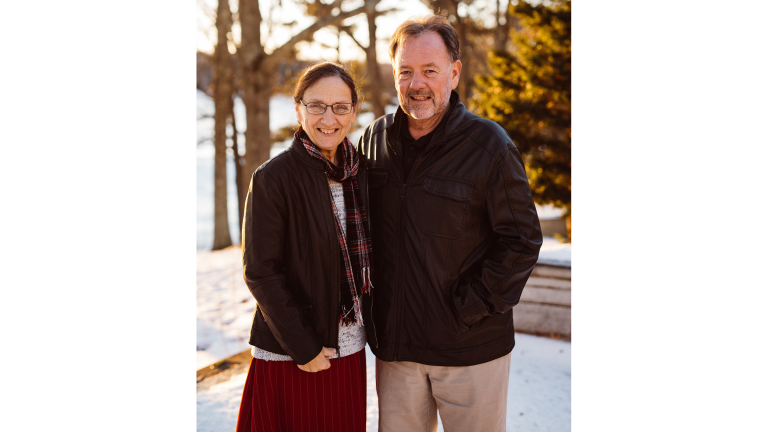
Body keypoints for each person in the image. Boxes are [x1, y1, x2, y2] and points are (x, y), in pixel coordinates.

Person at [356, 14, 543, 432]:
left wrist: (468, 309)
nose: (416, 83)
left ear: (454, 73)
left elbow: (522, 240)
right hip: (396, 353)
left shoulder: (490, 146)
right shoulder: (374, 141)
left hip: (470, 352)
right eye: (405, 72)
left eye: (429, 70)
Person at [236, 61, 371, 432]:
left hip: (349, 349)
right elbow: (260, 272)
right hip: (293, 352)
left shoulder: (360, 174)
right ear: (298, 109)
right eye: (317, 106)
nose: (329, 118)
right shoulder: (273, 178)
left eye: (340, 107)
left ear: (353, 112)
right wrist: (305, 347)